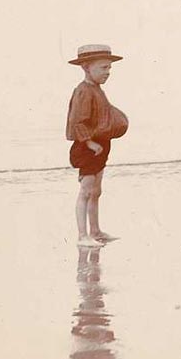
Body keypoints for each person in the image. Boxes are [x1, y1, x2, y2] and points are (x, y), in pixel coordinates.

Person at [66, 44, 129, 247]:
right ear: (86, 67)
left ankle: (96, 230)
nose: (108, 73)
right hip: (87, 147)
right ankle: (82, 236)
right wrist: (89, 142)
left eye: (109, 68)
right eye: (103, 68)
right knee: (85, 191)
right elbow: (78, 121)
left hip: (101, 145)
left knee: (96, 191)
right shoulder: (83, 91)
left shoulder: (97, 90)